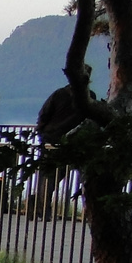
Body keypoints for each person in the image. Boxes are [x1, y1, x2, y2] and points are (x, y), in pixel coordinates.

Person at [33, 66, 95, 218]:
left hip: (53, 141)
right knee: (87, 178)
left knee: (49, 178)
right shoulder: (90, 96)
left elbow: (44, 114)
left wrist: (41, 132)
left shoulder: (59, 94)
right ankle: (90, 211)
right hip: (78, 143)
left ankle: (43, 211)